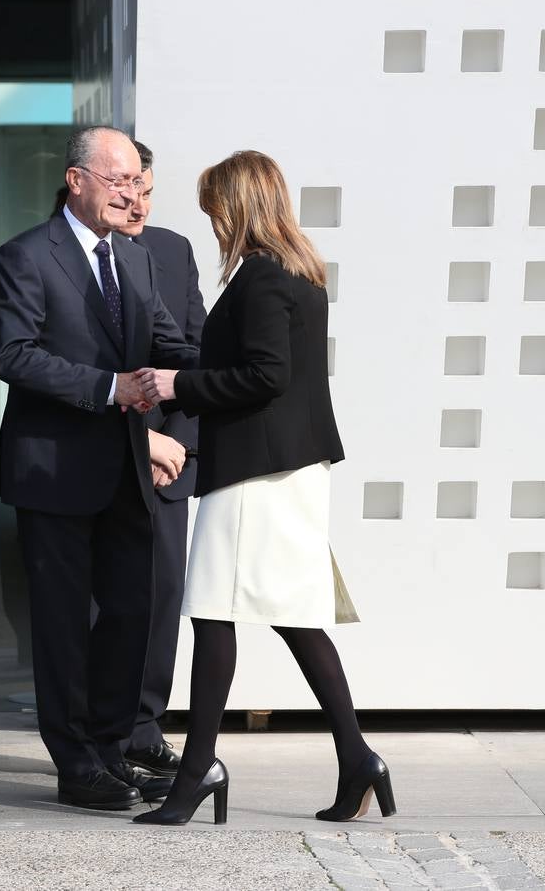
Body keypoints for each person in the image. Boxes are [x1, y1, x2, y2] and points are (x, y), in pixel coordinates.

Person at [132, 150, 394, 826]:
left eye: (215, 209)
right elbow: (255, 366)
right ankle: (356, 757)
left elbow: (266, 376)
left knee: (215, 611)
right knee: (292, 616)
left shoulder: (265, 279)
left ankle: (196, 775)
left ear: (238, 204)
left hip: (259, 472)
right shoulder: (294, 273)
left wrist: (176, 385)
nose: (213, 224)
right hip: (282, 469)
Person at [0, 125, 197, 810]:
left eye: (137, 181)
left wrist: (243, 360)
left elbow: (170, 342)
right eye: (118, 181)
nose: (131, 195)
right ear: (76, 180)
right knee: (62, 628)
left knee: (130, 615)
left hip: (125, 474)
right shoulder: (26, 256)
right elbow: (13, 355)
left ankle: (111, 748)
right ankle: (75, 762)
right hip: (53, 473)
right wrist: (110, 389)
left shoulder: (133, 259)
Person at [116, 141, 205, 777]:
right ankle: (101, 734)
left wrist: (171, 441)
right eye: (130, 188)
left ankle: (146, 730)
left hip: (169, 456)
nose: (140, 202)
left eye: (149, 188)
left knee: (163, 591)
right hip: (101, 448)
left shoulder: (173, 249)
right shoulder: (69, 253)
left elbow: (195, 351)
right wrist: (135, 440)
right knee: (105, 602)